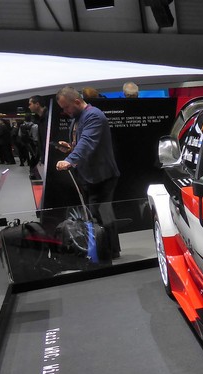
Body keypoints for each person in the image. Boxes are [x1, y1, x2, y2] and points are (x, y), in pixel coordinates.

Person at [55, 86, 121, 258]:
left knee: (103, 215)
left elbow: (87, 142)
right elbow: (81, 144)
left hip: (102, 176)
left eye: (66, 107)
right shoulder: (77, 118)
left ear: (77, 101)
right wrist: (70, 148)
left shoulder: (94, 116)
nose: (65, 111)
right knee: (96, 214)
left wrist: (69, 160)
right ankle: (105, 250)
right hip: (88, 175)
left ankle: (110, 252)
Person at [28, 95, 49, 179]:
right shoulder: (41, 118)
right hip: (44, 154)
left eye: (30, 104)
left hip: (50, 155)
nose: (29, 107)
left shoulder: (48, 117)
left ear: (37, 104)